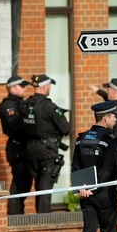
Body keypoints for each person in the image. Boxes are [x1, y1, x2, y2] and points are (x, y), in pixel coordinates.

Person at [71, 100, 117, 232]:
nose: (116, 119)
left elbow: (75, 166)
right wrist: (95, 187)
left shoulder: (81, 138)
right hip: (105, 194)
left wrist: (81, 188)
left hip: (86, 194)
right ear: (105, 117)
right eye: (113, 116)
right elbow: (107, 170)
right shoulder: (110, 139)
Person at [22, 74, 72, 213]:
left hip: (29, 149)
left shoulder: (26, 104)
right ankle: (43, 220)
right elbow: (67, 128)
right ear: (45, 87)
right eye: (49, 86)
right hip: (46, 151)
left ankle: (36, 215)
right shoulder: (49, 107)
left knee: (37, 184)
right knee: (45, 187)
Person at [0, 75, 34, 215]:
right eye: (21, 86)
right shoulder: (9, 105)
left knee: (25, 184)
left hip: (24, 147)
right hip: (17, 148)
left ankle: (18, 214)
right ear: (12, 88)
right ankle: (14, 217)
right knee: (19, 184)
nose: (25, 89)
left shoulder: (20, 103)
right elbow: (15, 126)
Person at [88, 78, 117, 153]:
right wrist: (98, 91)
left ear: (114, 91)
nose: (107, 91)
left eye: (108, 89)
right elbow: (107, 98)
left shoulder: (116, 111)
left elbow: (115, 133)